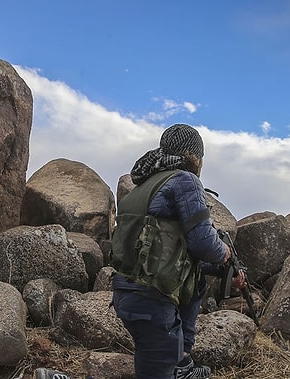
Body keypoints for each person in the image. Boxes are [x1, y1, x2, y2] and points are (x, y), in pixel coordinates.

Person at [110, 123, 245, 379]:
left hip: (128, 292)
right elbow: (204, 243)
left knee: (160, 363)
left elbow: (170, 254)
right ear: (194, 156)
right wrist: (224, 253)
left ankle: (184, 367)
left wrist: (222, 269)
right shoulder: (185, 180)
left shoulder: (144, 186)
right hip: (153, 299)